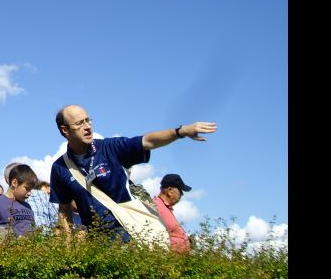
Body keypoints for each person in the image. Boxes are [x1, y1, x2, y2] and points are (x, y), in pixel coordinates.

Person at [49, 104, 217, 242]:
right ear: (65, 130)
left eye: (88, 120)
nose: (87, 127)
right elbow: (64, 212)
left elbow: (147, 141)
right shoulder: (60, 168)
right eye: (79, 123)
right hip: (99, 245)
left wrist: (180, 132)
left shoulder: (110, 148)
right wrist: (64, 250)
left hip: (136, 235)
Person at [0, 164, 38, 236]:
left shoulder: (27, 206)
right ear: (14, 183)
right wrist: (10, 233)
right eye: (27, 189)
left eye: (31, 190)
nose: (29, 193)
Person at [153, 174, 192, 254]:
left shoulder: (165, 208)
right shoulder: (155, 206)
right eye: (180, 191)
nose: (181, 195)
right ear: (170, 190)